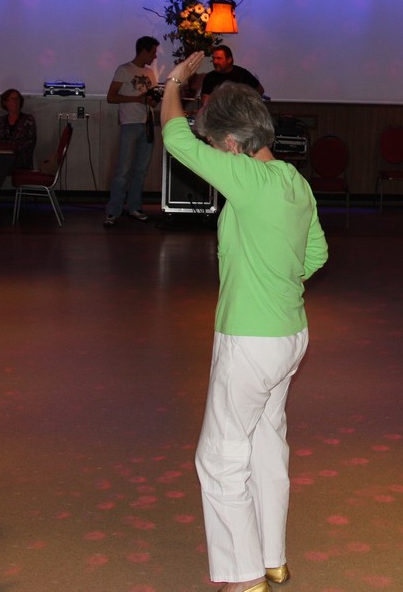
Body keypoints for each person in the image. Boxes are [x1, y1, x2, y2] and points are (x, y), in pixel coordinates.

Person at [160, 52, 327, 592]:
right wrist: (275, 280)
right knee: (266, 444)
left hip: (251, 341)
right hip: (289, 335)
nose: (212, 153)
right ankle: (273, 558)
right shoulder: (294, 181)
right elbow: (316, 254)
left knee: (220, 457)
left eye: (215, 145)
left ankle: (244, 576)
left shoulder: (248, 178)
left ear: (231, 144)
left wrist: (173, 82)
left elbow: (175, 138)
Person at [104, 36, 160, 227]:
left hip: (147, 123)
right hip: (130, 123)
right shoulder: (124, 69)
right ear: (144, 51)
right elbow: (111, 97)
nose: (155, 56)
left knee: (141, 170)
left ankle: (135, 207)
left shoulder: (150, 73)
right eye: (153, 52)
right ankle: (113, 211)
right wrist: (136, 99)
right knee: (123, 170)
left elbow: (152, 102)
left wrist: (153, 100)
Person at [0, 88, 37, 201]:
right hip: (0, 157)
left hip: (20, 159)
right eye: (12, 99)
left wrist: (11, 149)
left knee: (4, 159)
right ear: (5, 102)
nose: (15, 102)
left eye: (17, 99)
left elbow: (29, 142)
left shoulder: (28, 120)